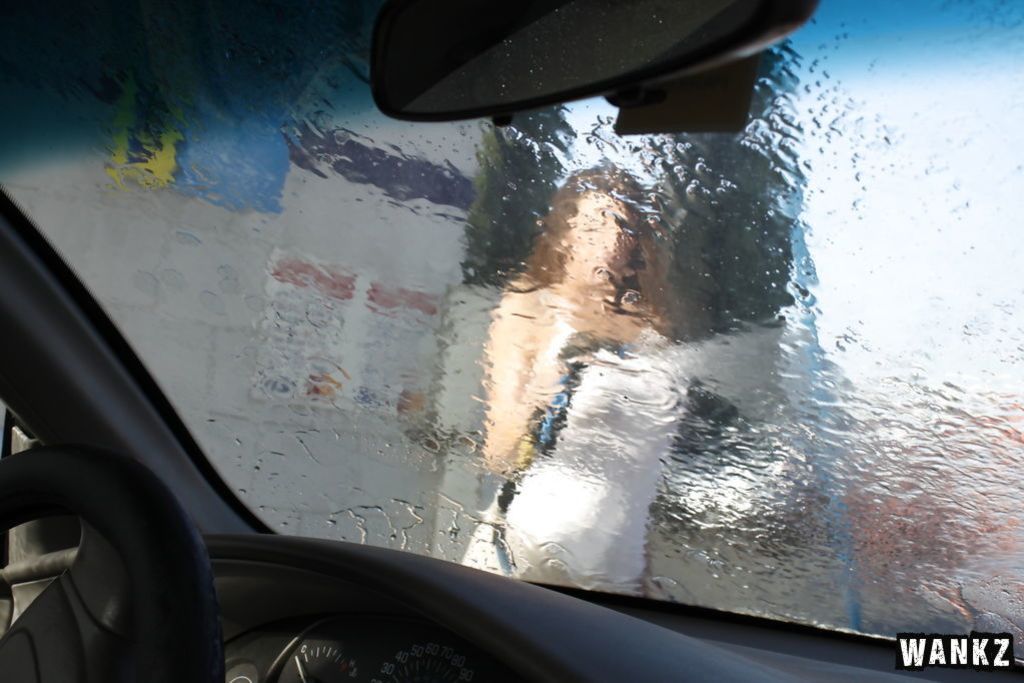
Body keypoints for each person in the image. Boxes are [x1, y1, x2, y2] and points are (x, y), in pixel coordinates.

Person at [468, 167, 687, 592]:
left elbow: (641, 471)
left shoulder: (653, 325)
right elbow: (498, 453)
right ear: (563, 235)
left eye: (620, 225)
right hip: (529, 557)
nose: (607, 240)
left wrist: (642, 569)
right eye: (591, 224)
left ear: (636, 239)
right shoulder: (529, 308)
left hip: (619, 568)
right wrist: (543, 389)